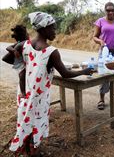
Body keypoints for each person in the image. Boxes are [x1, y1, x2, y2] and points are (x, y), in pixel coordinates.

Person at [9, 12, 94, 157]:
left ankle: (26, 150)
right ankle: (33, 151)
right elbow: (65, 74)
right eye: (53, 28)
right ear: (43, 28)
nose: (55, 32)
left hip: (25, 93)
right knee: (37, 122)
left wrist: (20, 62)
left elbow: (8, 57)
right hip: (39, 96)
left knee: (25, 120)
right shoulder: (51, 52)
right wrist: (84, 71)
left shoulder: (25, 44)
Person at [2, 25, 29, 99]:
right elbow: (8, 48)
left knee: (22, 76)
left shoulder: (26, 41)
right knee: (22, 75)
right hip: (23, 62)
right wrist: (14, 50)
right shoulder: (19, 43)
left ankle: (23, 93)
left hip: (27, 62)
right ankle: (23, 93)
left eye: (15, 36)